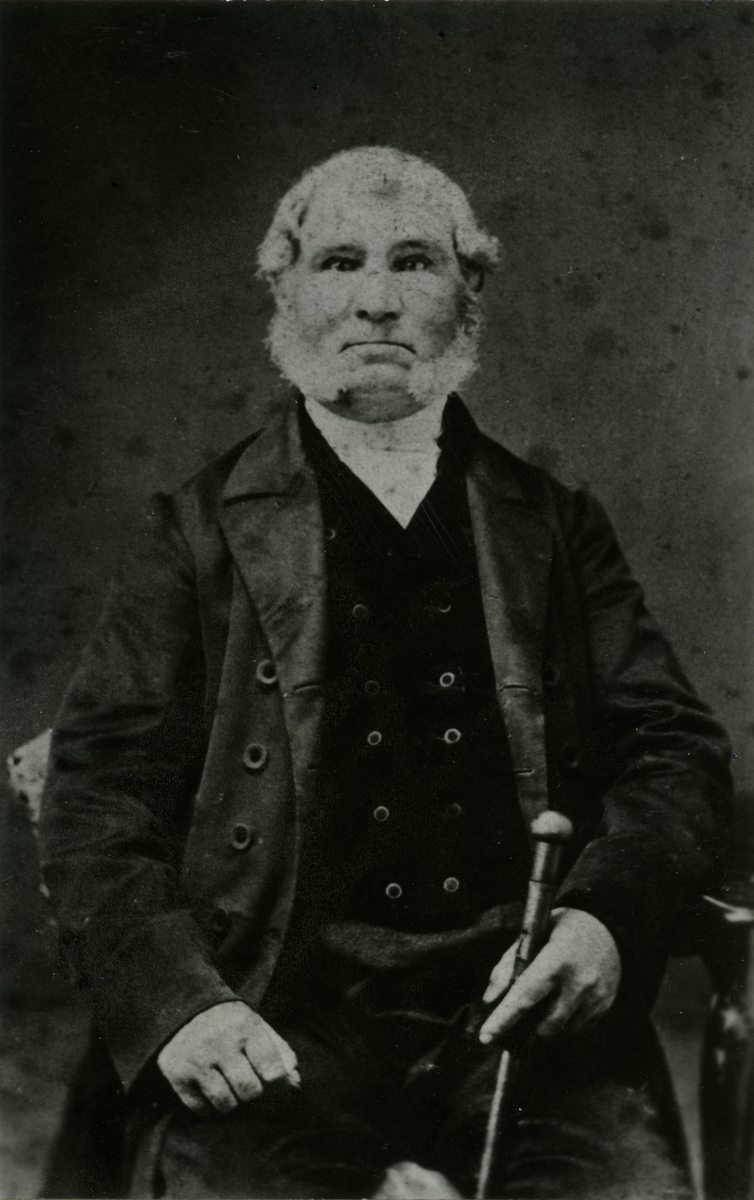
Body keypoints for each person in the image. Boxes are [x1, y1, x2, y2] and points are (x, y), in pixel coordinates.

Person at [40, 146, 732, 1200]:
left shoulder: (552, 524)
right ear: (285, 290)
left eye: (413, 261)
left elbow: (672, 748)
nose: (376, 300)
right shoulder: (195, 531)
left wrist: (604, 921)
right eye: (339, 263)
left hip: (519, 1022)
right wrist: (181, 1006)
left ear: (469, 291)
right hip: (271, 1014)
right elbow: (97, 793)